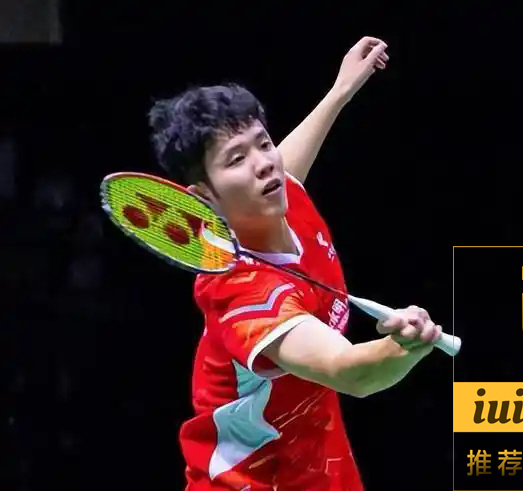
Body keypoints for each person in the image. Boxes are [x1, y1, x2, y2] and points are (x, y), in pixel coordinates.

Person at [148, 36, 444, 491]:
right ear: (204, 198)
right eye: (237, 159)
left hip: (317, 464)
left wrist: (340, 90)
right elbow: (350, 372)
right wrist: (405, 346)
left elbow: (286, 164)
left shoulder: (277, 200)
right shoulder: (243, 295)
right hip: (255, 482)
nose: (265, 165)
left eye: (263, 143)